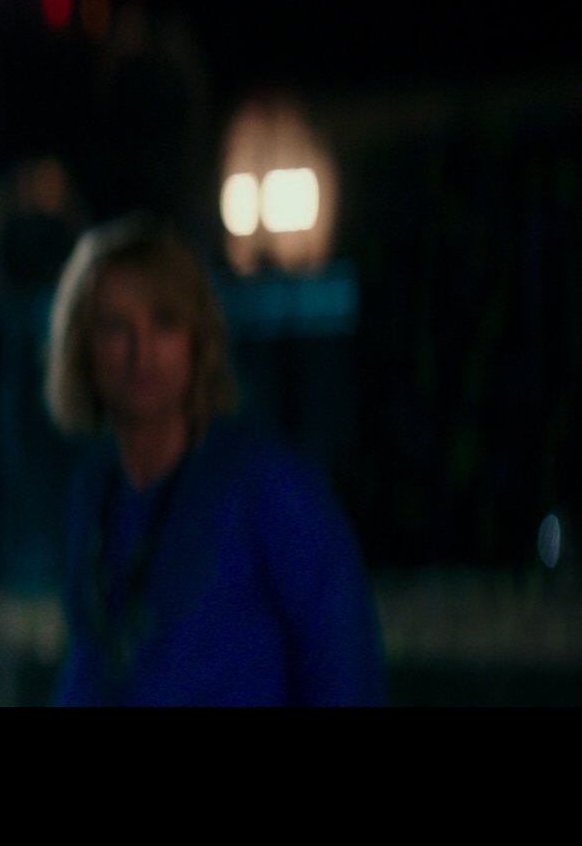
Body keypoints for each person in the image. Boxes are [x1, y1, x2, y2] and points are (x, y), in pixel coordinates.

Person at [43, 214, 382, 705]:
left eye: (165, 322)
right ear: (83, 346)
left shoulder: (266, 485)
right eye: (115, 326)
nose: (141, 352)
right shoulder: (97, 491)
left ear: (197, 338)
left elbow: (343, 661)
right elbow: (91, 665)